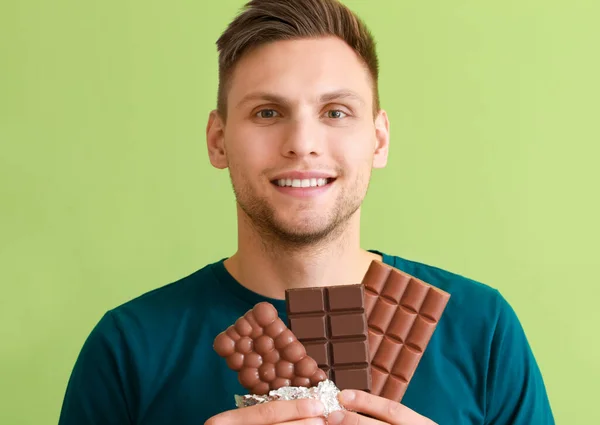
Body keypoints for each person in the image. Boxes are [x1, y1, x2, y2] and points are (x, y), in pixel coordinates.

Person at [58, 0, 555, 424]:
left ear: (378, 139)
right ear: (218, 140)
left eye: (336, 112)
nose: (302, 144)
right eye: (267, 113)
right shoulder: (128, 347)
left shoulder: (481, 328)